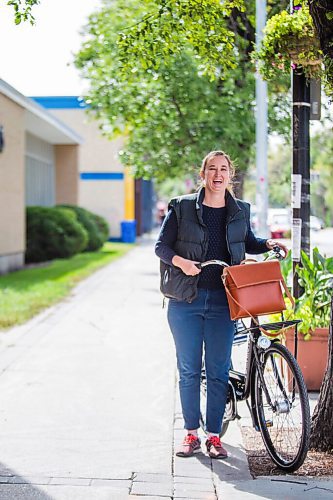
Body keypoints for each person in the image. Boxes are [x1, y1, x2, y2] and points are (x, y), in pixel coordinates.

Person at [155, 150, 288, 459]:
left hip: (224, 300)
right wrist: (181, 262)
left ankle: (214, 436)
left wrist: (267, 243)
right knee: (188, 369)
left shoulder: (239, 210)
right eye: (212, 169)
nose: (218, 174)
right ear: (203, 174)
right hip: (185, 299)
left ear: (231, 175)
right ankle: (190, 434)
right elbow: (161, 246)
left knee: (217, 370)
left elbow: (248, 241)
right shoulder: (183, 207)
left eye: (223, 169)